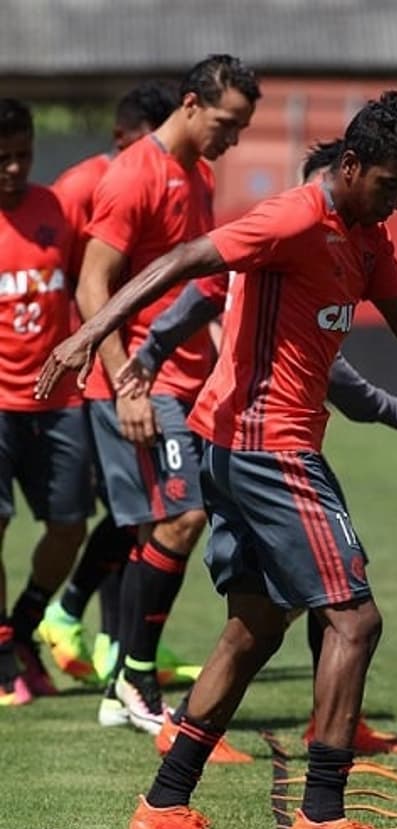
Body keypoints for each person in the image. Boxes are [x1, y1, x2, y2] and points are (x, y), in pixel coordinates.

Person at [37, 90, 397, 829]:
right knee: (355, 622)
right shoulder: (294, 216)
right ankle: (321, 819)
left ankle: (163, 806)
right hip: (267, 451)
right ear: (351, 165)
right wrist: (92, 332)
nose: (394, 201)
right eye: (388, 184)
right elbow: (184, 260)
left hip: (248, 447)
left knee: (255, 627)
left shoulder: (367, 235)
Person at [64, 55, 261, 736]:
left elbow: (196, 282)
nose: (231, 140)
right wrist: (127, 384)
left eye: (240, 129)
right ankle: (133, 678)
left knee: (158, 526)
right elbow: (93, 287)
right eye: (226, 124)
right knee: (181, 519)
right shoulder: (132, 175)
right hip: (138, 384)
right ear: (189, 104)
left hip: (182, 379)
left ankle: (124, 683)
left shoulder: (197, 175)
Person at [37, 80, 182, 689]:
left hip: (122, 365)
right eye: (143, 142)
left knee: (134, 513)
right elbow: (71, 279)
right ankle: (68, 620)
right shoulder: (82, 186)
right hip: (82, 371)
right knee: (130, 512)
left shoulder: (175, 175)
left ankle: (108, 642)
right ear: (122, 137)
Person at [0, 99, 93, 705]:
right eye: (1, 158)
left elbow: (91, 286)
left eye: (23, 155)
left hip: (59, 400)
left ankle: (25, 624)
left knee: (68, 525)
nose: (14, 168)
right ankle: (4, 648)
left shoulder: (56, 210)